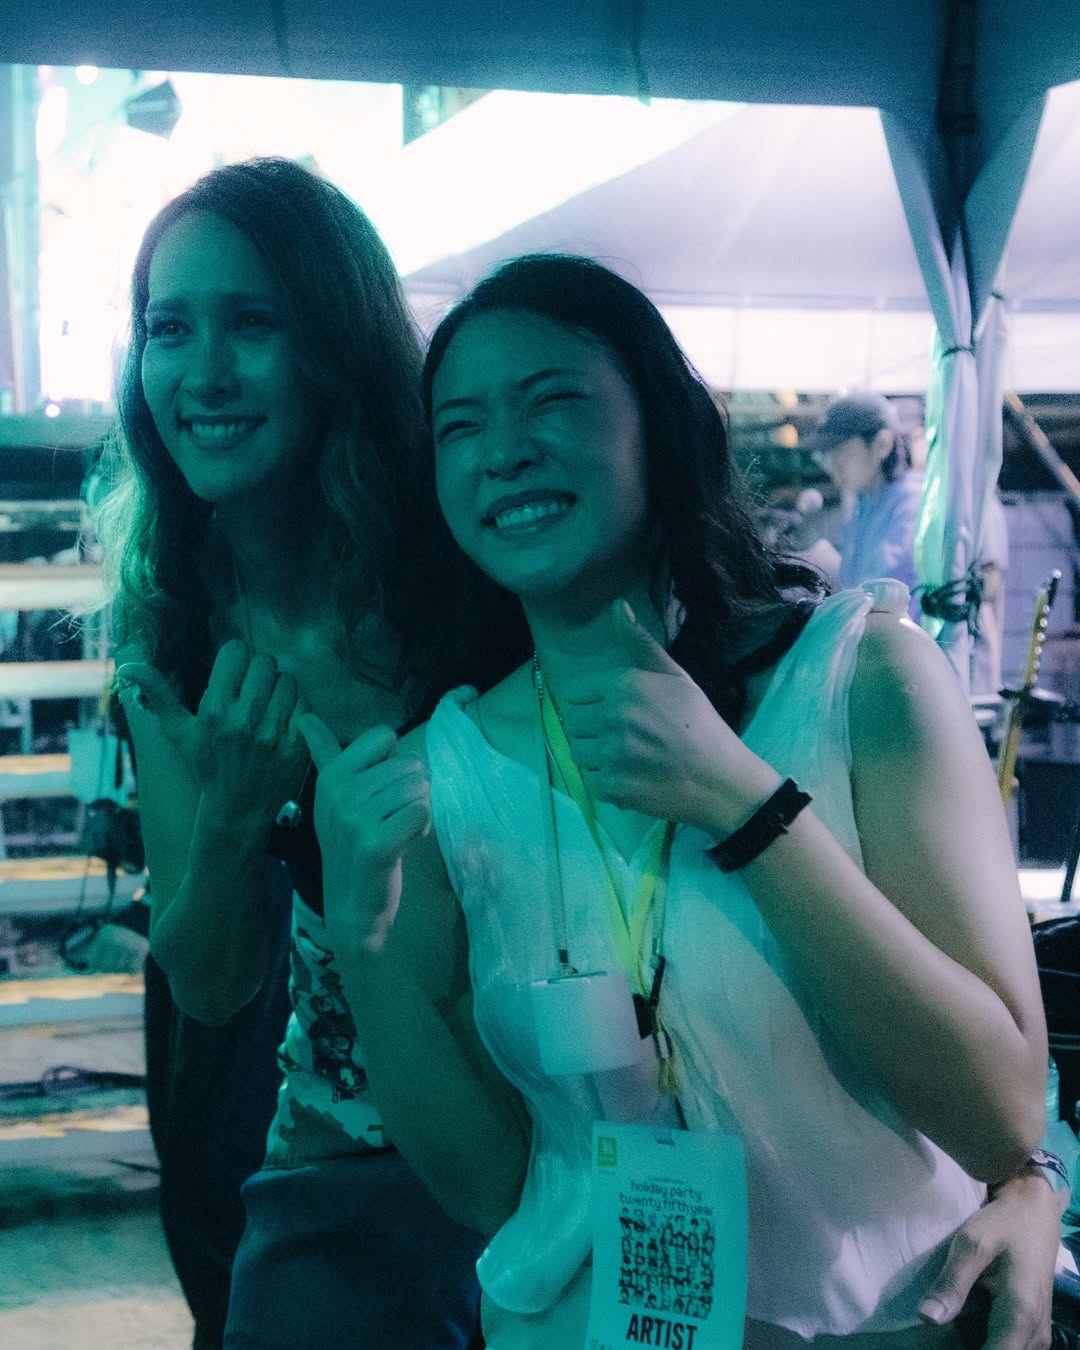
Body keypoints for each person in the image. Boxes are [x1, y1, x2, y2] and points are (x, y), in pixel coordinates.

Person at [301, 255, 1060, 1349]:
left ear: (661, 425)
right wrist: (365, 947)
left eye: (551, 400)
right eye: (460, 427)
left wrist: (744, 804)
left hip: (889, 1326)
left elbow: (1001, 1117)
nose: (504, 450)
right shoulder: (444, 772)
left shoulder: (862, 681)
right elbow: (488, 1186)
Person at [92, 158, 520, 1349]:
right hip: (322, 1175)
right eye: (168, 328)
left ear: (336, 341)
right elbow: (208, 981)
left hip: (546, 1151)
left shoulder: (468, 573)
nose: (203, 373)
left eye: (252, 323)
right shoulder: (172, 626)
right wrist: (237, 819)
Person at [807, 391, 924, 616]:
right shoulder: (863, 502)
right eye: (828, 454)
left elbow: (882, 593)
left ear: (882, 445)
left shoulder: (912, 503)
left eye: (842, 451)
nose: (833, 465)